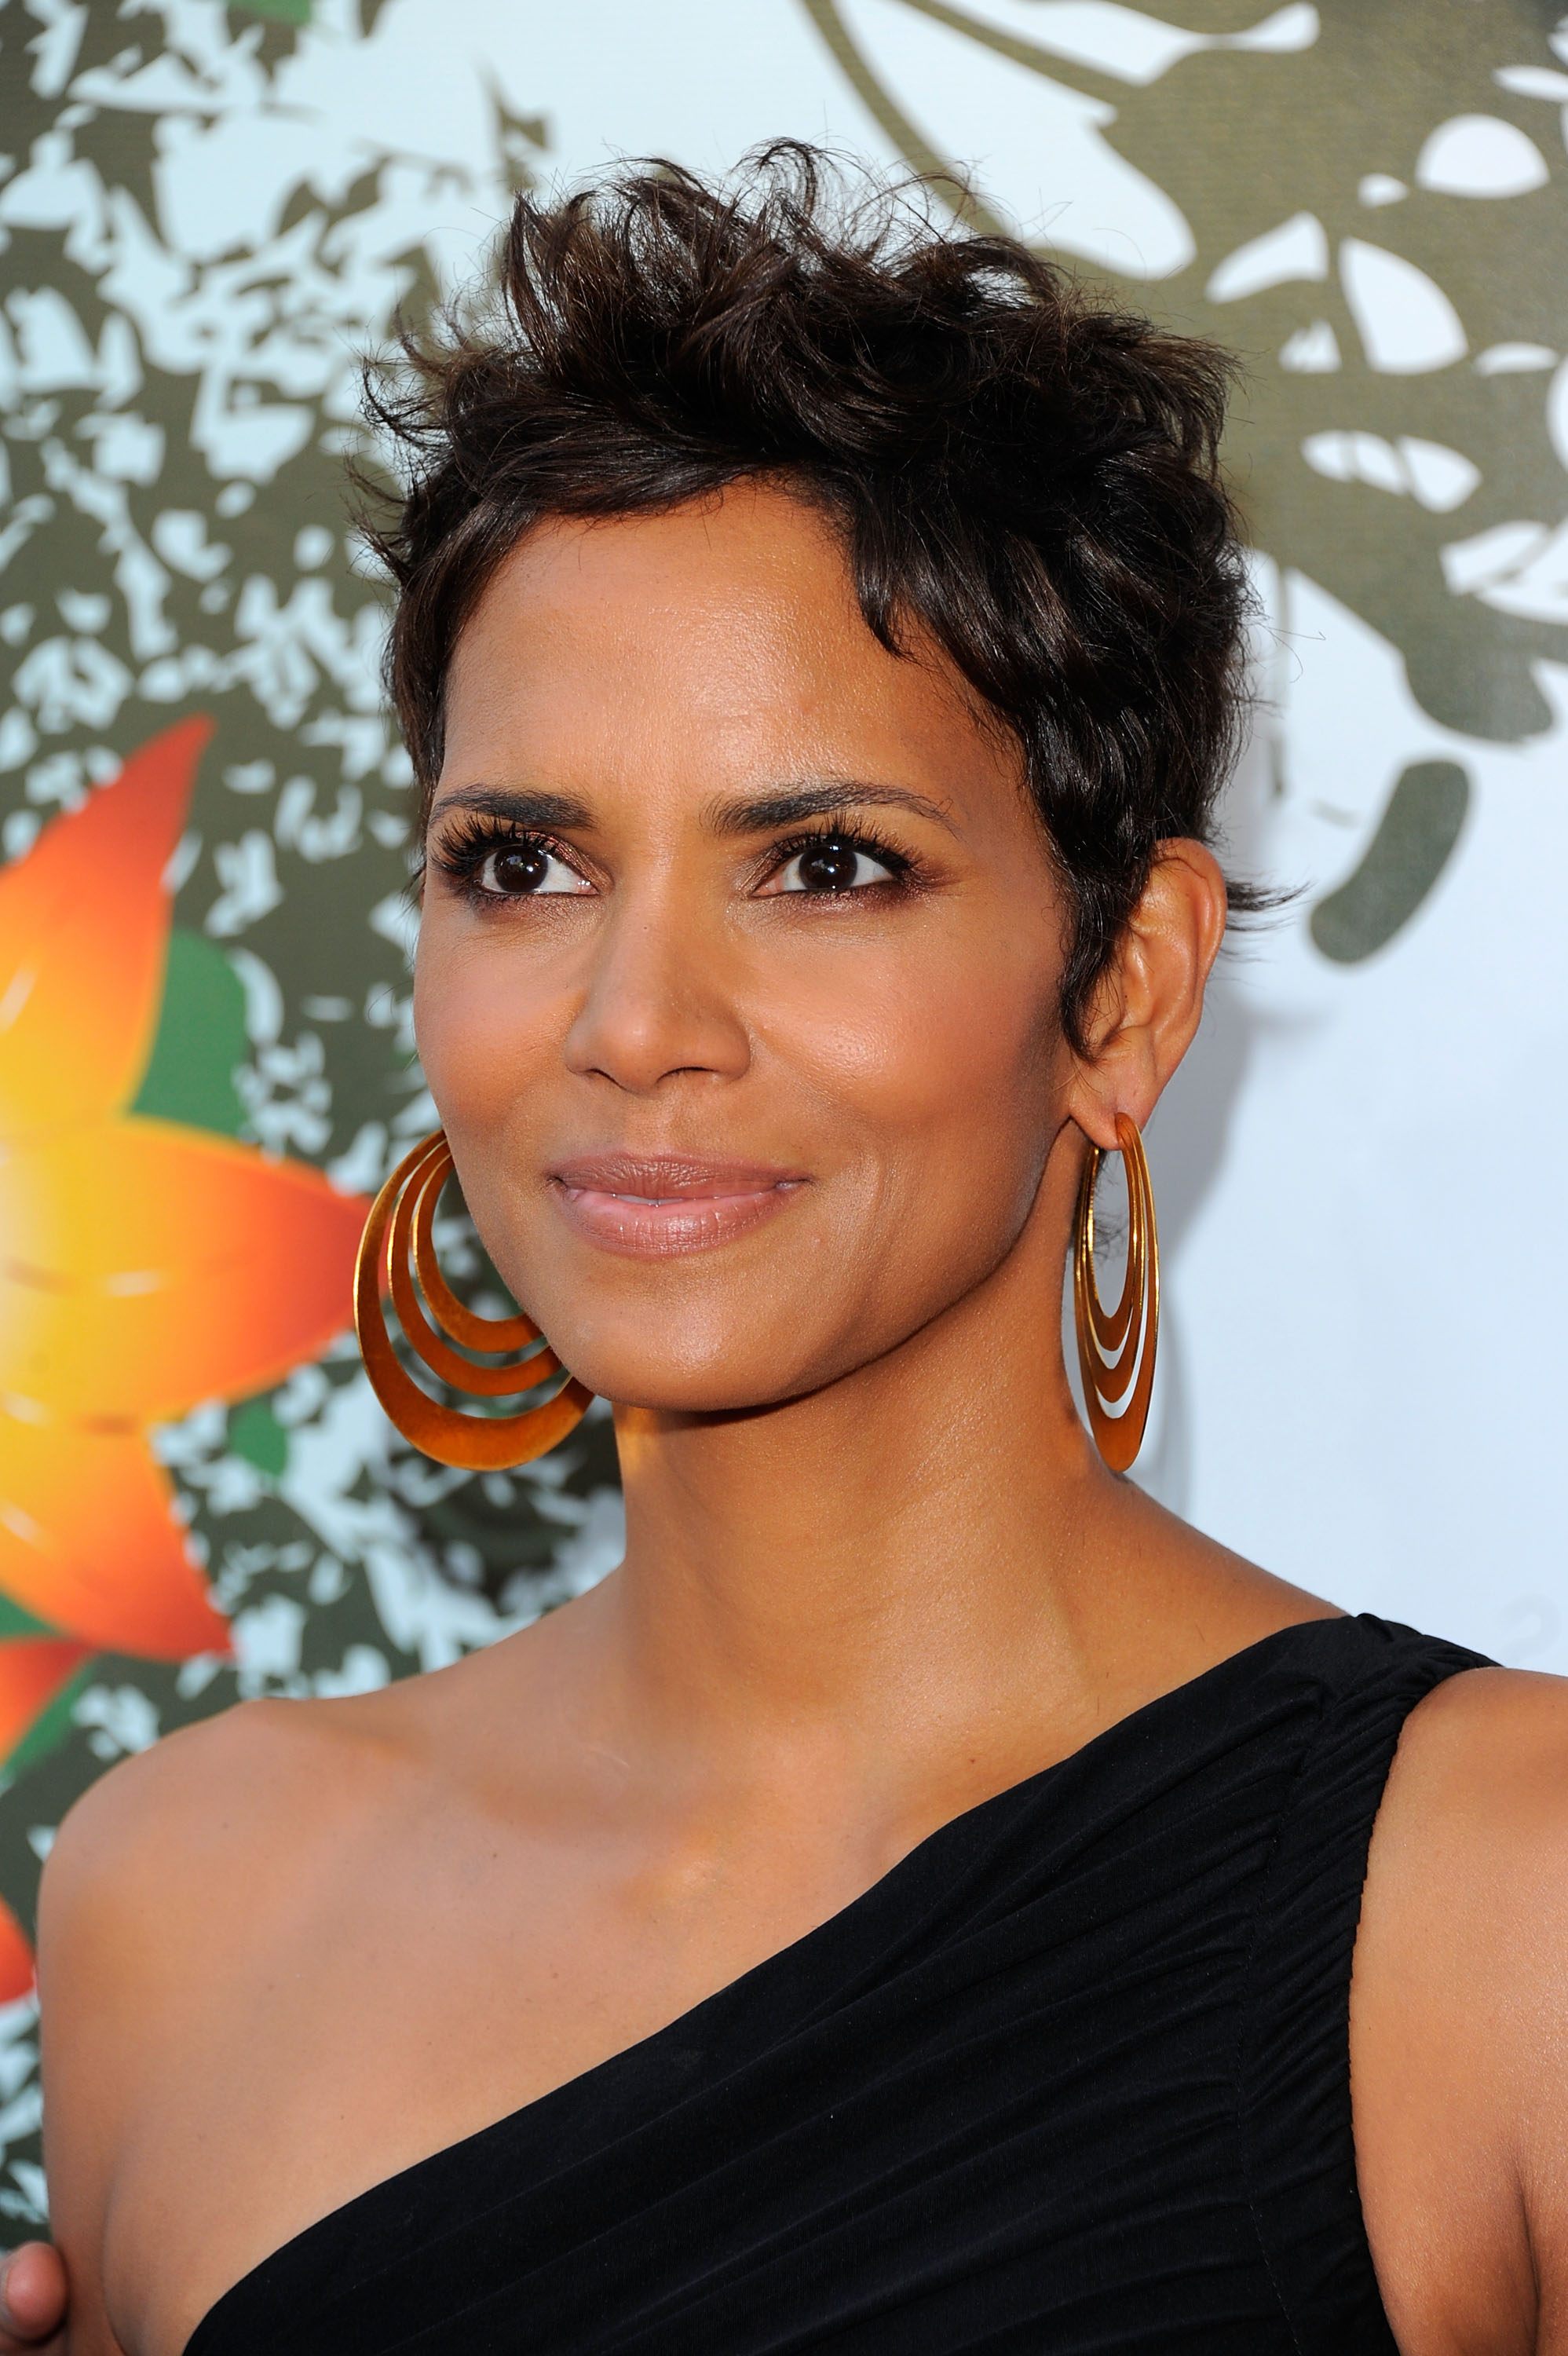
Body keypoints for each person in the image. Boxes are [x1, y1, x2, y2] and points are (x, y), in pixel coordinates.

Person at [31, 148, 1568, 2356]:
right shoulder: (179, 1897)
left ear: (1126, 991)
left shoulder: (1505, 1905)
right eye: (523, 864)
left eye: (828, 865)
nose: (633, 1022)